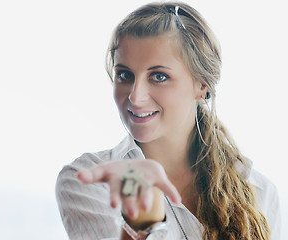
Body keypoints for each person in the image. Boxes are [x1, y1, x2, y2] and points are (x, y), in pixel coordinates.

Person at [55, 1, 281, 239]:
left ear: (202, 86)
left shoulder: (260, 192)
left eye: (159, 76)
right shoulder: (88, 179)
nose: (135, 96)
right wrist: (143, 221)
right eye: (125, 75)